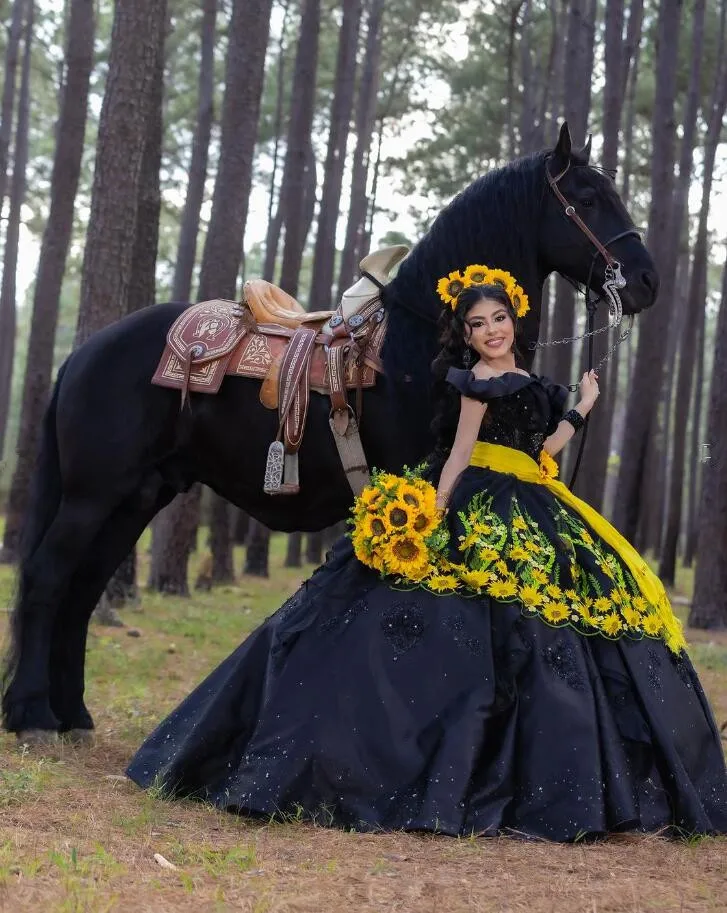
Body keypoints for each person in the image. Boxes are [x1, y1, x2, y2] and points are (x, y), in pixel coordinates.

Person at [127, 266, 727, 842]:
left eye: (498, 318)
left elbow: (541, 448)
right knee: (453, 622)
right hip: (480, 497)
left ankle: (559, 772)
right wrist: (436, 514)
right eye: (478, 324)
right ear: (465, 335)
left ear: (514, 320)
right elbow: (462, 454)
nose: (492, 330)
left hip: (537, 498)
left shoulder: (539, 384)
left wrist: (580, 407)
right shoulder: (474, 386)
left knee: (565, 622)